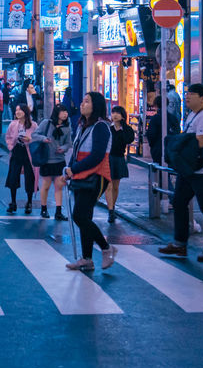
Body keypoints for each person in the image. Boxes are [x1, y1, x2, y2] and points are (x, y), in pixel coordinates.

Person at [159, 83, 203, 262]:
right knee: (179, 203)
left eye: (191, 94)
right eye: (186, 94)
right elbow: (189, 139)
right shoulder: (191, 115)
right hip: (189, 169)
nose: (187, 97)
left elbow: (200, 142)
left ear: (202, 97)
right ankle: (180, 244)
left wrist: (179, 143)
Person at [64, 92, 117, 271]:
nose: (82, 104)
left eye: (87, 101)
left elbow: (97, 156)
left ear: (96, 105)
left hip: (96, 175)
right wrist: (69, 169)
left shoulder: (101, 126)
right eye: (83, 100)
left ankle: (106, 248)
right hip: (80, 175)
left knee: (79, 215)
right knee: (84, 217)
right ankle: (87, 258)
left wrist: (74, 169)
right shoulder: (82, 125)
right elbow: (76, 151)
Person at [33, 104, 74, 220]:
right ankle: (44, 209)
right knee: (45, 186)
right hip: (46, 159)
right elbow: (35, 134)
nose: (65, 114)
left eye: (66, 112)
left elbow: (68, 143)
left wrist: (64, 148)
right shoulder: (47, 123)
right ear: (57, 112)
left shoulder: (67, 127)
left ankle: (58, 211)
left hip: (59, 160)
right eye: (63, 111)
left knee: (59, 186)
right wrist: (44, 139)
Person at [4, 104, 38, 214]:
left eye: (20, 110)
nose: (17, 112)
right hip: (16, 151)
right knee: (13, 176)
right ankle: (13, 202)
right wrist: (10, 147)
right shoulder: (13, 124)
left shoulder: (33, 125)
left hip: (28, 153)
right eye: (16, 110)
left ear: (25, 112)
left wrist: (30, 139)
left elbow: (38, 138)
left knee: (30, 177)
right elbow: (8, 137)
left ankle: (29, 202)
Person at [106, 105, 136, 223]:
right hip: (108, 158)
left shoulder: (127, 129)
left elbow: (128, 140)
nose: (115, 115)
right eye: (113, 113)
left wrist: (121, 129)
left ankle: (113, 206)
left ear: (123, 116)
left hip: (118, 158)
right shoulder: (108, 128)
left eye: (117, 113)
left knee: (115, 186)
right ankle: (110, 212)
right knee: (108, 185)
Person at [145, 91, 180, 164]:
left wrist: (153, 146)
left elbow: (151, 135)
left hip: (158, 149)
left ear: (156, 105)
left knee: (158, 170)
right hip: (172, 149)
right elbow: (177, 132)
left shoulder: (155, 118)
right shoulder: (173, 118)